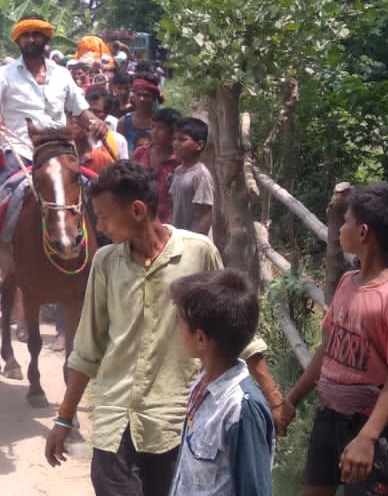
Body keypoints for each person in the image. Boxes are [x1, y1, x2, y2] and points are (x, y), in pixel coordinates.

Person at [44, 161, 284, 496]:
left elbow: (234, 329)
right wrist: (64, 418)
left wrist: (273, 397)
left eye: (104, 216)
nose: (99, 226)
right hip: (115, 424)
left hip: (175, 425)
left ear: (138, 210)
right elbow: (87, 348)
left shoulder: (198, 253)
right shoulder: (106, 263)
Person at [0, 14, 109, 264]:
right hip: (20, 153)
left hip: (61, 154)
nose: (31, 39)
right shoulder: (4, 74)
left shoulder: (63, 74)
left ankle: (105, 259)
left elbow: (81, 111)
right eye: (26, 35)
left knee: (104, 195)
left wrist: (95, 124)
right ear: (18, 40)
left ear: (46, 38)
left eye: (37, 34)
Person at [281, 182, 388, 496]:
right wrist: (293, 399)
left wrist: (367, 438)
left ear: (364, 232)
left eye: (346, 221)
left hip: (369, 428)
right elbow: (328, 348)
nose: (340, 228)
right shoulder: (346, 282)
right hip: (329, 416)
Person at [168, 269, 275, 496]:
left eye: (180, 322)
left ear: (200, 338)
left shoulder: (241, 408)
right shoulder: (202, 385)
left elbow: (253, 489)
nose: (176, 329)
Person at [134, 107, 182, 224]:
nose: (154, 132)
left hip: (169, 223)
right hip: (141, 220)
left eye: (161, 128)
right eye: (153, 126)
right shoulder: (140, 153)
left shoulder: (179, 161)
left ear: (173, 132)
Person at [170, 117, 214, 236]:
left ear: (199, 145)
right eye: (174, 139)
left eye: (182, 140)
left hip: (194, 241)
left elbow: (205, 216)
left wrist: (197, 244)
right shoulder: (178, 171)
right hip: (178, 238)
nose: (175, 144)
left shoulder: (200, 175)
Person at [117, 74, 162, 153]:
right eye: (138, 95)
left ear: (154, 98)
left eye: (146, 95)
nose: (141, 99)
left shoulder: (162, 123)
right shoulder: (123, 122)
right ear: (133, 96)